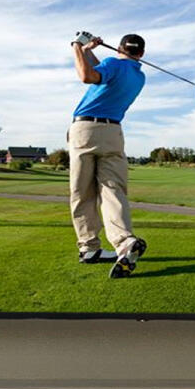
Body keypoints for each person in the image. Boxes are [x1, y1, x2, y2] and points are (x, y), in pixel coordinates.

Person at [69, 32, 147, 275]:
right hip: (113, 133)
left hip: (85, 130)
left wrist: (77, 47)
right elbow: (102, 72)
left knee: (82, 192)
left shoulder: (112, 64)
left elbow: (87, 76)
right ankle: (124, 243)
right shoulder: (139, 76)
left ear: (119, 48)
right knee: (112, 191)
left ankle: (89, 246)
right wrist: (90, 50)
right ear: (141, 54)